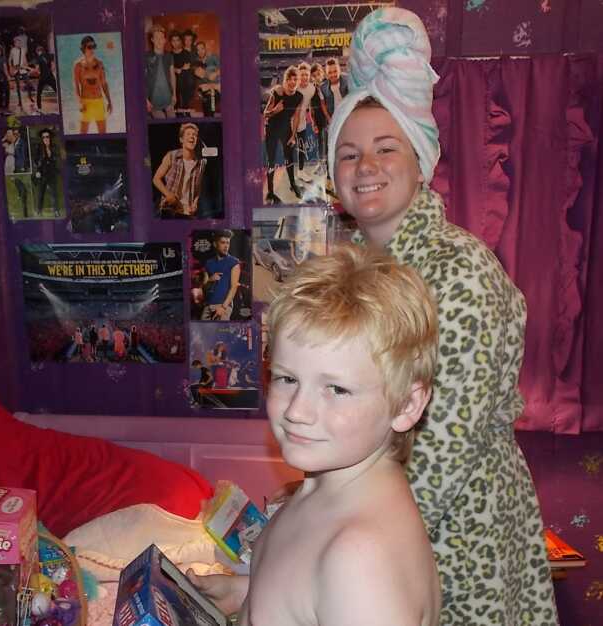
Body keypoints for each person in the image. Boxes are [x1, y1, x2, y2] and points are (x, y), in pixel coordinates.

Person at [323, 8, 557, 624]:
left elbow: (444, 446)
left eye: (384, 147)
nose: (364, 167)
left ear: (420, 159)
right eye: (347, 155)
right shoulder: (356, 270)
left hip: (456, 534)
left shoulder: (459, 272)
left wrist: (337, 536)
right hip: (387, 520)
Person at [224, 245, 439, 625]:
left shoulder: (358, 560)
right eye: (287, 379)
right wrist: (245, 594)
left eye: (336, 389)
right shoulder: (321, 490)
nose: (296, 412)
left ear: (407, 405)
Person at [263, 66, 305, 204]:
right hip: (272, 129)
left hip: (286, 128)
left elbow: (297, 117)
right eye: (289, 79)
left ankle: (293, 184)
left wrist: (293, 135)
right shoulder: (277, 92)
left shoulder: (299, 96)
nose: (292, 82)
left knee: (290, 158)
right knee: (271, 161)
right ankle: (270, 192)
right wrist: (275, 110)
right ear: (285, 80)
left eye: (295, 79)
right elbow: (265, 114)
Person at [152, 123, 206, 218]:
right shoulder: (171, 156)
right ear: (181, 139)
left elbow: (198, 188)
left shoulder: (200, 163)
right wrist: (168, 195)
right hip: (170, 210)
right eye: (188, 134)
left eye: (194, 135)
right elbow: (156, 179)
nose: (192, 137)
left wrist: (195, 203)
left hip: (187, 213)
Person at [73, 36, 112, 134]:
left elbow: (104, 83)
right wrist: (80, 102)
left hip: (99, 102)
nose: (92, 49)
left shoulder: (99, 64)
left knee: (103, 134)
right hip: (86, 103)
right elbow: (76, 86)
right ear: (83, 48)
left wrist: (109, 101)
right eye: (89, 47)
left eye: (94, 46)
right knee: (83, 135)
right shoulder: (78, 65)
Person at [200, 230, 240, 321]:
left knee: (221, 333)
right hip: (208, 306)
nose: (226, 246)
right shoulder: (208, 263)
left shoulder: (234, 262)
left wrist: (223, 307)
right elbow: (203, 287)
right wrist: (210, 280)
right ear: (215, 244)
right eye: (223, 242)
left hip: (223, 306)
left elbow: (234, 287)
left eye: (228, 243)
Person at [145, 24, 175, 119]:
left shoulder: (169, 56)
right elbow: (141, 79)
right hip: (153, 100)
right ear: (152, 40)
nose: (159, 40)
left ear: (165, 40)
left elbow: (173, 76)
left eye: (161, 38)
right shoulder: (146, 56)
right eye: (156, 37)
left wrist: (174, 94)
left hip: (168, 98)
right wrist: (146, 99)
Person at [32, 128, 60, 216]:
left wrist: (49, 150)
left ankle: (56, 211)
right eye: (43, 137)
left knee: (53, 193)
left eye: (47, 136)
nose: (45, 138)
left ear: (50, 137)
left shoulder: (54, 147)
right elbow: (35, 160)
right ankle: (39, 211)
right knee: (41, 193)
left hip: (51, 173)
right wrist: (37, 171)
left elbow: (57, 159)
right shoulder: (39, 148)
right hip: (42, 173)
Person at [33, 44, 58, 112]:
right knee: (57, 90)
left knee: (39, 93)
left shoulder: (38, 58)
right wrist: (49, 71)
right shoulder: (49, 56)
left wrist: (32, 71)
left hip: (42, 78)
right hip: (50, 76)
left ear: (38, 51)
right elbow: (53, 66)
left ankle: (39, 108)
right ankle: (62, 104)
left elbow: (36, 69)